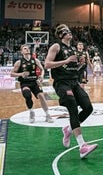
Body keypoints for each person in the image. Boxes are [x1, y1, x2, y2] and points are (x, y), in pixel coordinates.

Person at [44, 24, 98, 159]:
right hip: (62, 83)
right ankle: (82, 146)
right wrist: (66, 60)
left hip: (74, 82)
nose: (69, 32)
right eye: (65, 31)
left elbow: (72, 68)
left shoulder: (72, 49)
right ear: (61, 35)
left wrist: (79, 64)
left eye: (69, 30)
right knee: (73, 108)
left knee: (88, 108)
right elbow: (47, 64)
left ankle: (68, 129)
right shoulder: (56, 47)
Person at [11, 44, 53, 123]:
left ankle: (47, 115)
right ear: (21, 51)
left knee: (41, 96)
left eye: (28, 48)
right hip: (25, 83)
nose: (27, 49)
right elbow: (11, 74)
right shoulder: (19, 62)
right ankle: (31, 112)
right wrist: (21, 74)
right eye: (25, 48)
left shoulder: (35, 60)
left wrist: (41, 76)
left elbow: (42, 69)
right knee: (27, 94)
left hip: (34, 82)